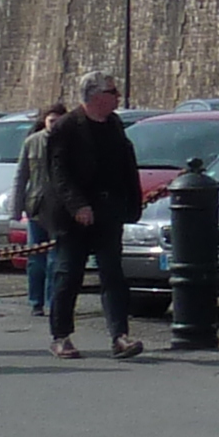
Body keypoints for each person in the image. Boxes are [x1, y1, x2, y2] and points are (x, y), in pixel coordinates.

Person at [44, 76, 145, 361]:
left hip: (108, 211)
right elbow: (59, 173)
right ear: (95, 96)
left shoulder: (114, 124)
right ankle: (61, 336)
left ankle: (119, 336)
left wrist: (130, 205)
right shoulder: (66, 127)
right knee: (68, 275)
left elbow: (126, 166)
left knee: (113, 275)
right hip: (73, 215)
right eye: (112, 92)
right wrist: (78, 206)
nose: (118, 96)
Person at [14, 102, 65, 320]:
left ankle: (53, 301)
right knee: (36, 259)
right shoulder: (32, 142)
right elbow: (21, 176)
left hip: (61, 209)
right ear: (44, 121)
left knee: (56, 259)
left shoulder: (69, 142)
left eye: (59, 121)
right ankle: (36, 302)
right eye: (51, 120)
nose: (54, 125)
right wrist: (15, 211)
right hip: (36, 206)